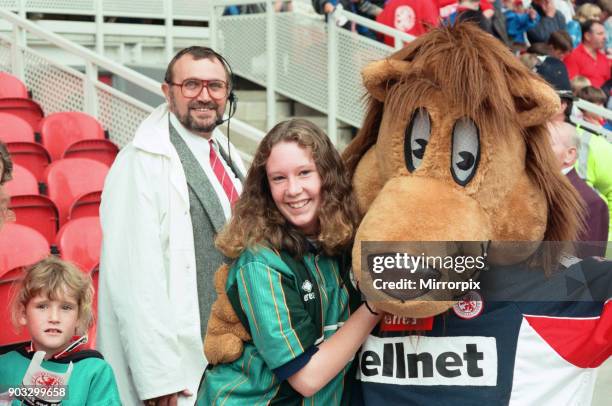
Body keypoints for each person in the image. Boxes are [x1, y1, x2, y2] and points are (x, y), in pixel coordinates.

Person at [97, 46, 246, 406]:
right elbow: (133, 277)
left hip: (229, 358)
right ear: (168, 92)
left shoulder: (228, 158)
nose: (204, 96)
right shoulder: (139, 162)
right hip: (177, 373)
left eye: (215, 86)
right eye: (191, 84)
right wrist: (157, 376)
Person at [199, 118, 382, 404]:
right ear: (265, 188)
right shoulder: (260, 263)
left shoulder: (344, 243)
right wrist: (377, 304)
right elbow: (307, 378)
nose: (293, 190)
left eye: (304, 173)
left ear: (327, 176)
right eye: (279, 178)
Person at [0, 256, 121, 405]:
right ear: (23, 313)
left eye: (66, 308)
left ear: (78, 317)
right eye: (42, 306)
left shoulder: (94, 371)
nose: (54, 317)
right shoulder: (4, 367)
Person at [547, 121, 609, 257]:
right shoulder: (527, 184)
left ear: (570, 154)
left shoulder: (591, 203)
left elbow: (585, 268)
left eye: (547, 143)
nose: (536, 148)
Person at [564, 20, 611, 88]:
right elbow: (573, 85)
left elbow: (608, 83)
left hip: (604, 96)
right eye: (600, 34)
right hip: (584, 96)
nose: (605, 37)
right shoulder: (573, 55)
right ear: (587, 36)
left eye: (604, 34)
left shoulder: (603, 57)